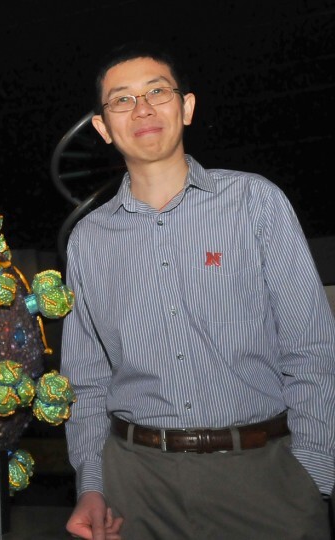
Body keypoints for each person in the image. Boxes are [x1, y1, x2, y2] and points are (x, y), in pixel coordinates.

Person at [62, 43, 335, 540]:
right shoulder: (88, 241)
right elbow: (86, 382)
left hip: (264, 478)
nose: (142, 109)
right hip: (135, 488)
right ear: (103, 128)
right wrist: (93, 485)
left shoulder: (255, 203)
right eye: (121, 100)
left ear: (185, 107)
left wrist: (311, 479)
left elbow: (313, 348)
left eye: (157, 92)